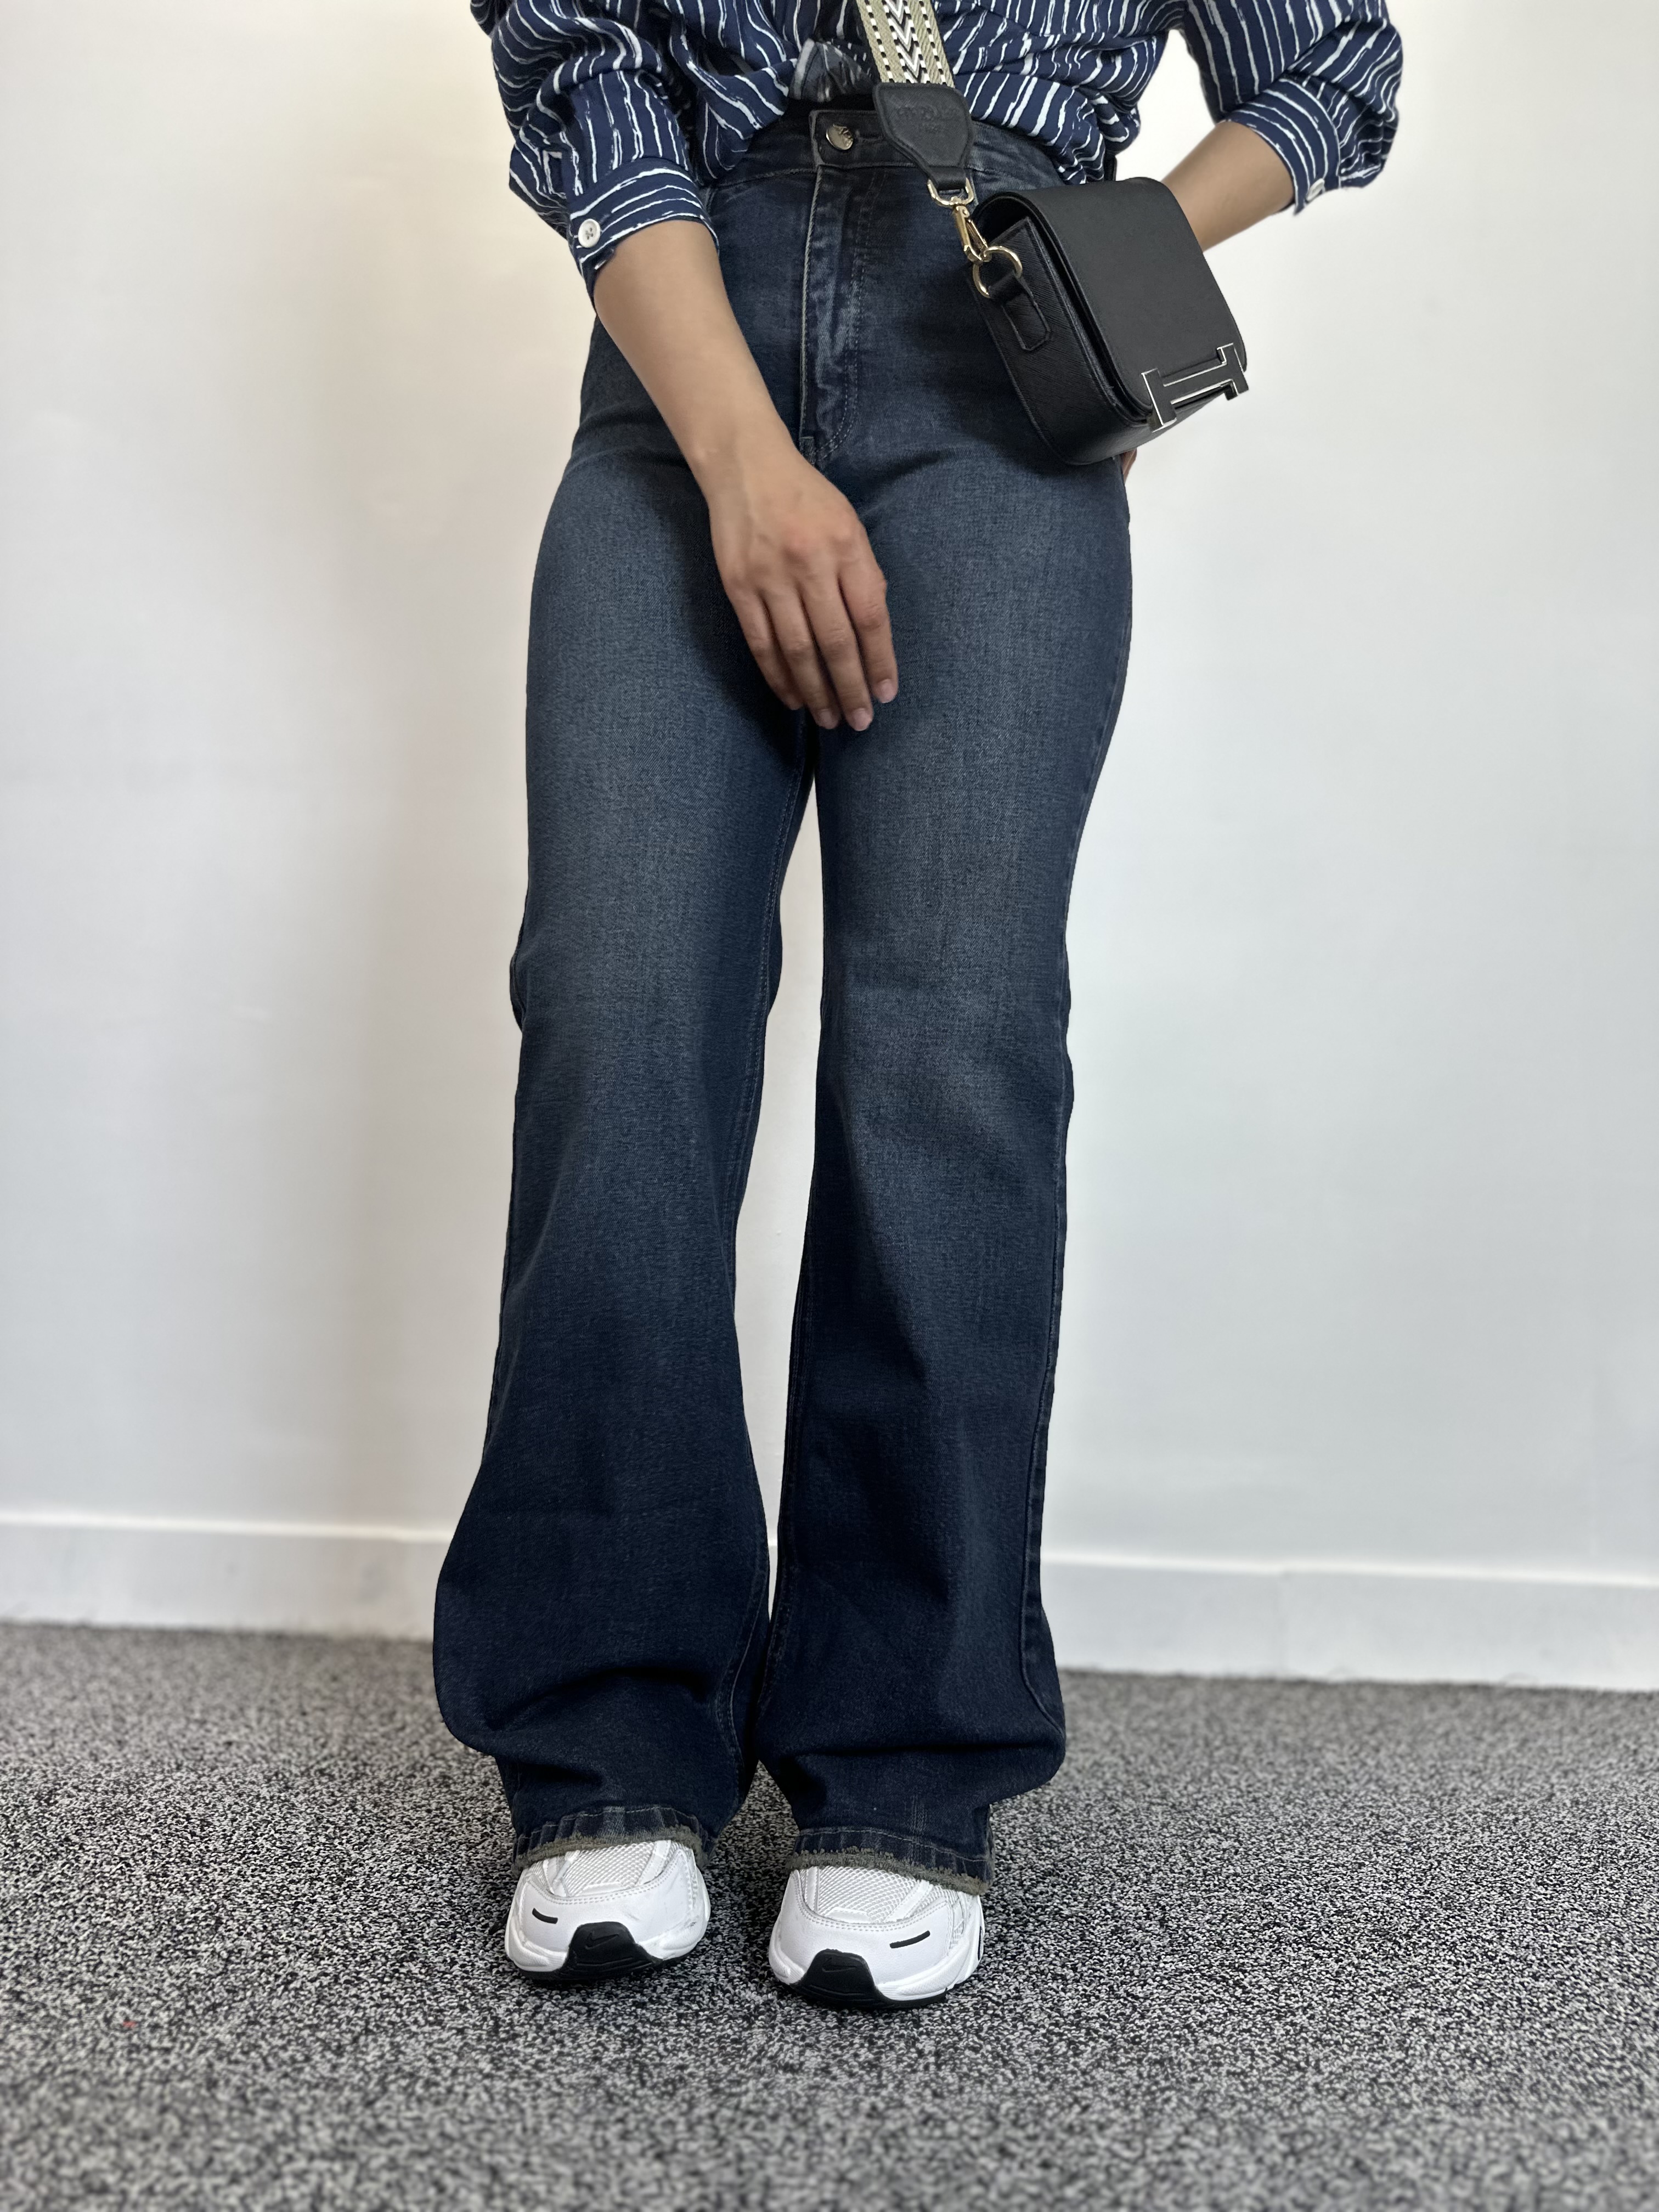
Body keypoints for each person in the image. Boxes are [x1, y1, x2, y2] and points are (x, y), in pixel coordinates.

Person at [434, 0, 1402, 2008]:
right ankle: (607, 1742)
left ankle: (901, 1764)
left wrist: (1109, 256)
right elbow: (581, 72)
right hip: (683, 333)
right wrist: (740, 457)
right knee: (618, 1008)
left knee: (948, 1045)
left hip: (997, 365)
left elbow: (1332, 66)